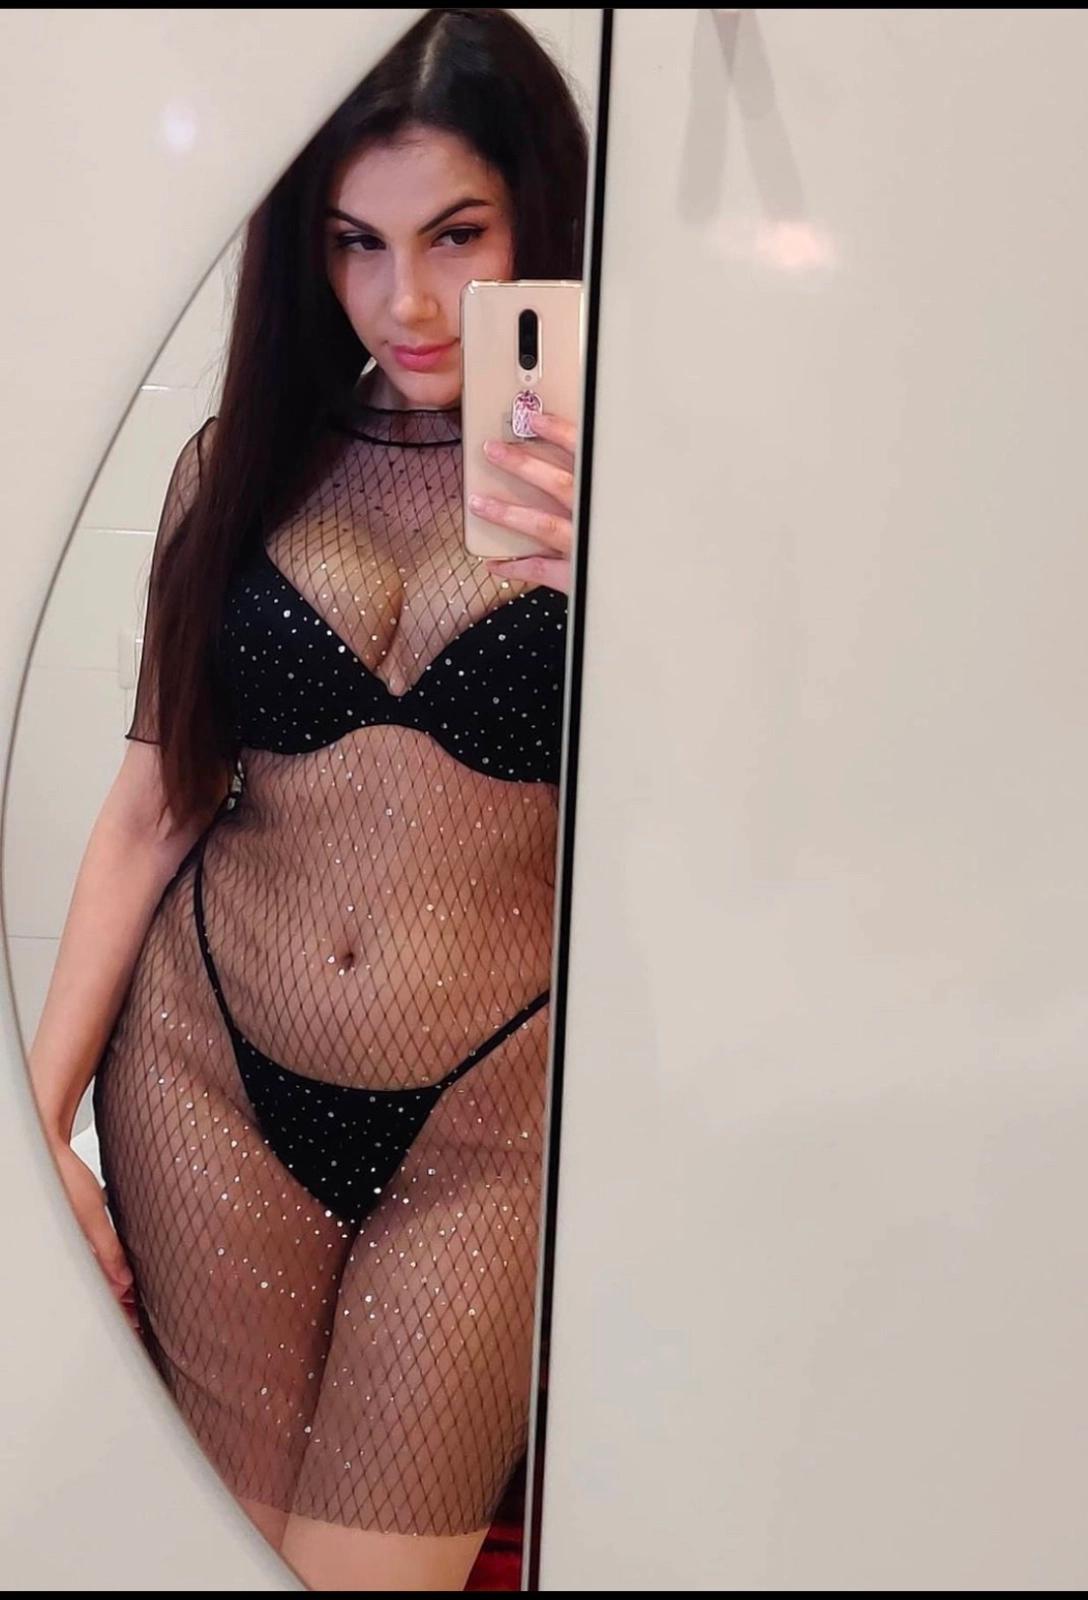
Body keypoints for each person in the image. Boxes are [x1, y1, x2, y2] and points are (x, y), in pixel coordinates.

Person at [26, 10, 586, 1591]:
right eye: (355, 241)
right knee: (214, 1561)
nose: (403, 299)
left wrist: (630, 576)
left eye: (456, 235)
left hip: (492, 1121)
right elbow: (154, 800)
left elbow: (731, 823)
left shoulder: (642, 494)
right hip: (202, 1080)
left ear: (540, 216)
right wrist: (36, 1124)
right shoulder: (240, 463)